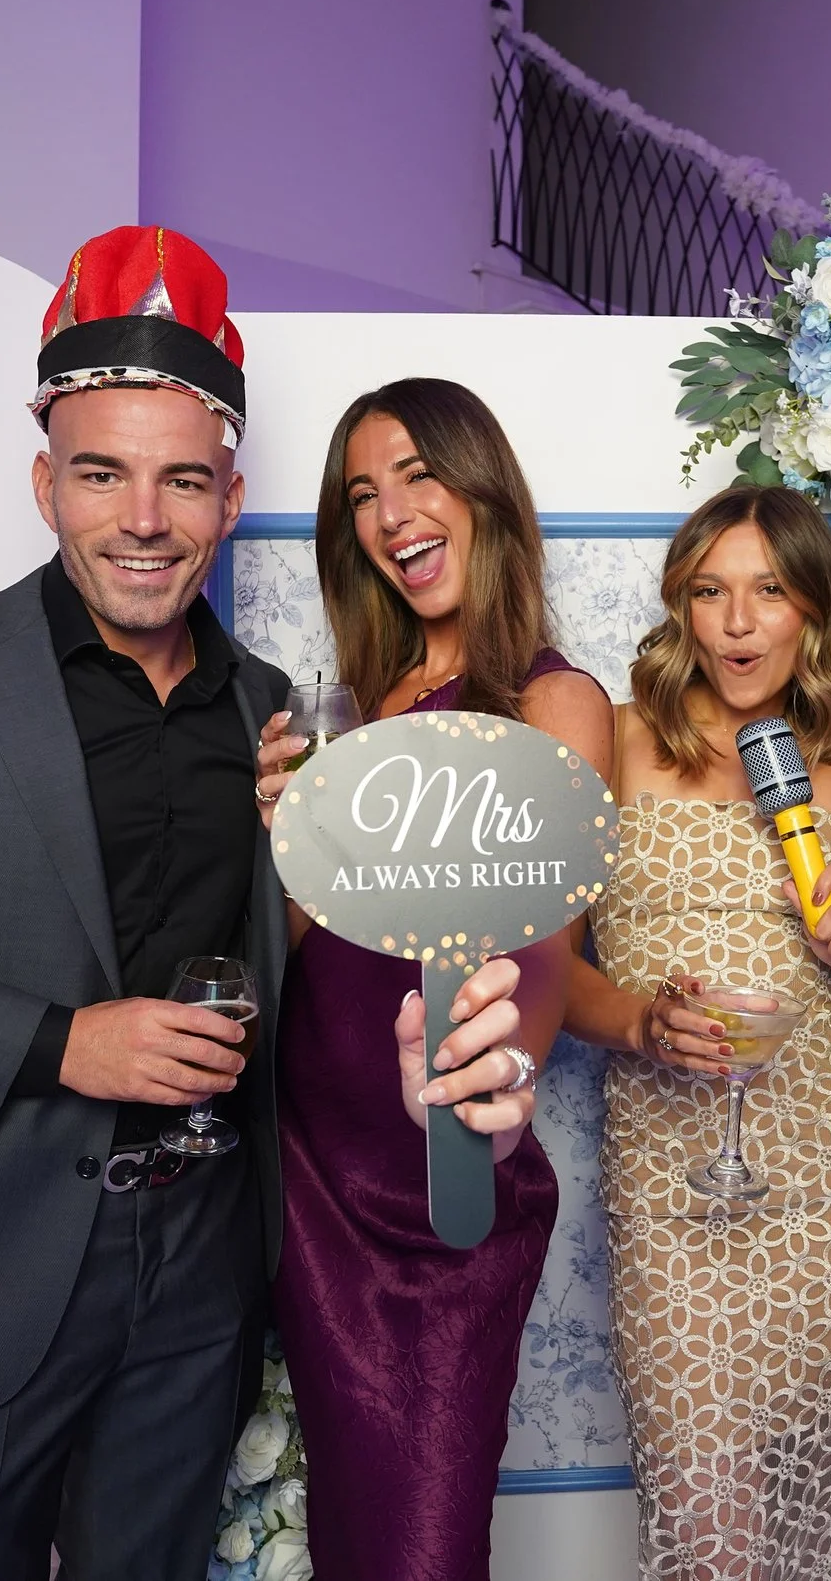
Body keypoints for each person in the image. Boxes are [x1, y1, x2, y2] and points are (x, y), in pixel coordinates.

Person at [0, 229, 537, 1581]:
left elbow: (343, 964)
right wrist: (63, 1041)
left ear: (227, 496)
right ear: (47, 482)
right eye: (102, 473)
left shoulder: (281, 715)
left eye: (181, 480)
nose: (142, 518)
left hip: (199, 1277)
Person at [254, 377, 615, 1581]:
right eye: (361, 492)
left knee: (422, 1549)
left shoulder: (551, 698)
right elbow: (314, 951)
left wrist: (497, 1076)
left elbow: (551, 956)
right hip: (309, 1166)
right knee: (358, 1539)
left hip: (439, 1174)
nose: (390, 511)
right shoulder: (357, 714)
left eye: (416, 472)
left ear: (482, 489)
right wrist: (282, 833)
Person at [562, 485, 831, 1577]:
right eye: (709, 592)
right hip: (676, 1192)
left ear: (813, 607)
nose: (735, 622)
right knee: (708, 1530)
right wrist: (640, 1021)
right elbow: (548, 974)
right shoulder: (614, 743)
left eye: (768, 591)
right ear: (680, 607)